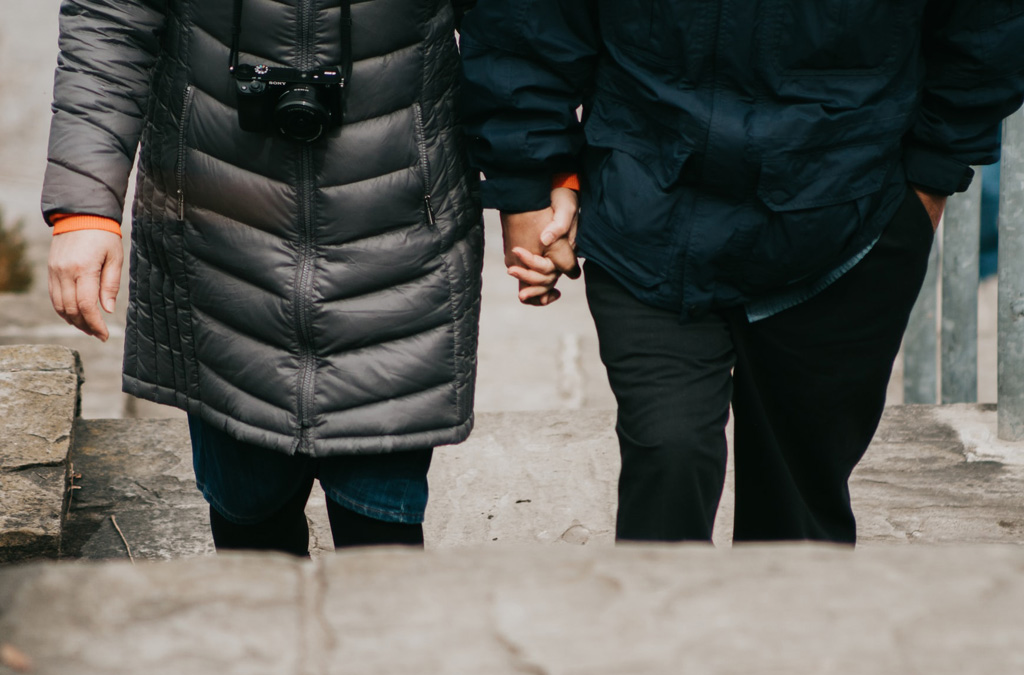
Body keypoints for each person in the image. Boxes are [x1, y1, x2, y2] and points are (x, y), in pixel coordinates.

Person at [460, 1, 1024, 543]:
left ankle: (783, 640)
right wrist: (533, 179)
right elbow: (527, 20)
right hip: (648, 205)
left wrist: (928, 181)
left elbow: (984, 27)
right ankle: (652, 635)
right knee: (668, 456)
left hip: (847, 217)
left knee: (799, 512)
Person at [43, 0, 483, 556]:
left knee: (381, 536)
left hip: (397, 229)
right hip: (217, 228)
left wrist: (538, 185)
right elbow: (110, 18)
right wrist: (85, 207)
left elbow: (518, 30)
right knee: (247, 523)